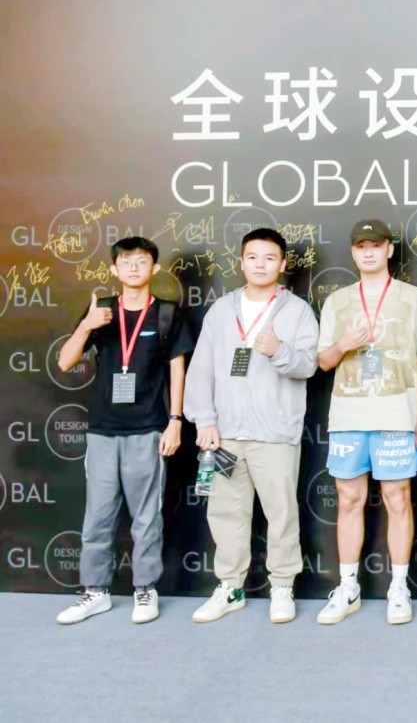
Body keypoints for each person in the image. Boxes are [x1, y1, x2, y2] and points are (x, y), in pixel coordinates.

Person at [54, 236, 193, 625]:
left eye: (142, 261)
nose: (134, 267)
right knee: (97, 517)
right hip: (102, 430)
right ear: (114, 269)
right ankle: (95, 592)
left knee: (147, 517)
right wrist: (86, 326)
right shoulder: (100, 310)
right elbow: (65, 362)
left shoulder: (166, 313)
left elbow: (177, 370)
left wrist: (175, 421)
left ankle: (145, 588)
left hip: (148, 428)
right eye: (126, 261)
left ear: (155, 268)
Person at [184, 228, 318, 624]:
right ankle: (231, 587)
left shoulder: (297, 311)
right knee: (226, 513)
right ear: (241, 262)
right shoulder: (221, 311)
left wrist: (279, 351)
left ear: (283, 264)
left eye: (269, 257)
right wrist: (205, 420)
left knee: (281, 514)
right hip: (225, 435)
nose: (261, 264)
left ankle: (282, 586)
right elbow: (201, 369)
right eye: (253, 257)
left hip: (275, 433)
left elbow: (308, 365)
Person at [314, 219, 417, 625]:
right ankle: (348, 587)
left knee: (397, 499)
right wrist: (345, 344)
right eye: (361, 246)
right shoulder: (337, 301)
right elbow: (323, 361)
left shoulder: (412, 298)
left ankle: (398, 587)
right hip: (349, 415)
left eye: (376, 245)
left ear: (389, 250)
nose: (368, 252)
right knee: (348, 500)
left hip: (397, 415)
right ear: (353, 252)